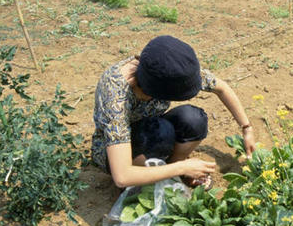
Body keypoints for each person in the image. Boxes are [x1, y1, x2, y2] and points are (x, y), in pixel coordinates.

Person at [91, 35, 256, 189]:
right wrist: (182, 167)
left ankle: (168, 170)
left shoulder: (169, 68)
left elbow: (221, 88)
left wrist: (246, 128)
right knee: (161, 132)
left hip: (152, 128)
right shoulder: (116, 96)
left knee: (194, 119)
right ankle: (152, 180)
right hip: (115, 153)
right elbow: (122, 176)